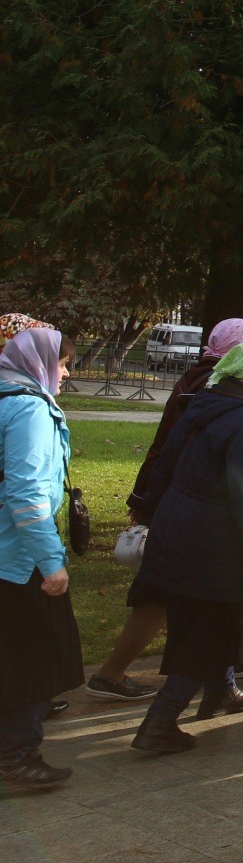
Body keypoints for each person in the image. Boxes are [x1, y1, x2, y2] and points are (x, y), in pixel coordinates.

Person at [91, 317, 243, 702]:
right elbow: (183, 449)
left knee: (212, 591)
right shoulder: (217, 387)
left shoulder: (198, 378)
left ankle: (233, 662)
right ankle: (119, 677)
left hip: (180, 500)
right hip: (190, 505)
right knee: (167, 595)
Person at [130, 339, 243, 754]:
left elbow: (165, 462)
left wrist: (150, 515)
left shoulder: (209, 402)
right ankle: (159, 723)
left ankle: (220, 691)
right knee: (208, 629)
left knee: (202, 620)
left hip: (180, 529)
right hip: (214, 541)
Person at [0, 326, 82, 792]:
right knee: (33, 660)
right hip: (18, 558)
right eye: (63, 363)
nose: (67, 374)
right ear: (39, 365)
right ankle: (16, 757)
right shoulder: (30, 409)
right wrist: (51, 562)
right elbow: (28, 494)